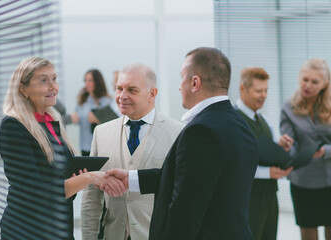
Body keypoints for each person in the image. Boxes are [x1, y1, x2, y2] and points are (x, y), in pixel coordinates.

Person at [105, 47, 259, 239]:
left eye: (182, 77)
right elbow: (194, 179)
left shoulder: (201, 131)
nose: (179, 86)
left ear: (195, 82)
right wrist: (133, 178)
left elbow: (186, 211)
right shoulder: (239, 125)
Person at [0, 57, 124, 240]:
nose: (53, 86)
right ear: (23, 89)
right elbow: (34, 192)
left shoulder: (51, 122)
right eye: (44, 80)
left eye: (54, 79)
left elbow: (59, 186)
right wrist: (87, 178)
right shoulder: (13, 126)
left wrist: (75, 179)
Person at [81, 63, 184, 240]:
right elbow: (92, 196)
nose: (122, 96)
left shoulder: (178, 133)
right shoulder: (101, 132)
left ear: (152, 94)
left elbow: (184, 194)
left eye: (132, 90)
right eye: (119, 88)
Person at [236, 67, 293, 240]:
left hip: (270, 196)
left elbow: (267, 153)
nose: (264, 95)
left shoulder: (265, 120)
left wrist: (280, 146)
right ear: (243, 89)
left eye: (266, 90)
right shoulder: (234, 120)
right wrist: (267, 172)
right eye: (259, 90)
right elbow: (234, 165)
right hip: (247, 198)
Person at [280, 58, 331, 240]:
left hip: (330, 179)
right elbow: (291, 147)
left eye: (314, 81)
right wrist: (286, 146)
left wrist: (326, 151)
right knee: (308, 232)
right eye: (304, 79)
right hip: (303, 182)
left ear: (325, 83)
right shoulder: (288, 108)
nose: (307, 85)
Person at [74, 69, 113, 156]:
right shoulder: (82, 101)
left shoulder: (107, 101)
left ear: (97, 82)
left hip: (101, 147)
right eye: (85, 80)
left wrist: (98, 119)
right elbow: (77, 120)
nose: (86, 84)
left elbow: (112, 124)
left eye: (90, 80)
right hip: (85, 146)